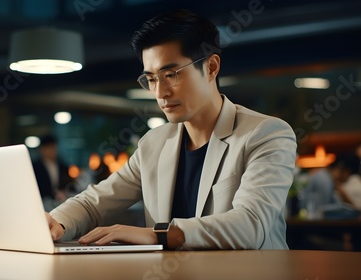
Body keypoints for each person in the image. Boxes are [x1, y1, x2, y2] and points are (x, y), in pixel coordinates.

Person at [45, 9, 297, 250]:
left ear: (211, 67)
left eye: (171, 75)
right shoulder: (153, 144)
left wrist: (158, 235)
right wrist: (56, 222)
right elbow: (95, 203)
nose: (160, 92)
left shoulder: (267, 134)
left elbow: (251, 225)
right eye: (151, 79)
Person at [32, 135, 75, 210]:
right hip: (42, 204)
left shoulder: (63, 166)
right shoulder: (35, 167)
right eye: (49, 148)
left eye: (54, 147)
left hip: (61, 203)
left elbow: (68, 183)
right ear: (42, 149)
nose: (52, 150)